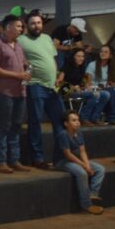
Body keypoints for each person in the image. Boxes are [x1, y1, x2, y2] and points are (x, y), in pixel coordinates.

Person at [18, 11, 65, 170]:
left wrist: (57, 74)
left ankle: (60, 157)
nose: (36, 26)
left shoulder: (46, 38)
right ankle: (37, 158)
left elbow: (52, 58)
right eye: (33, 23)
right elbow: (18, 61)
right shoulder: (21, 40)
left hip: (51, 86)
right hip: (35, 85)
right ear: (27, 25)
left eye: (38, 23)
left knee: (60, 121)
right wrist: (25, 77)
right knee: (36, 122)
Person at [0, 14, 30, 173]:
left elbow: (24, 66)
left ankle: (15, 160)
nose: (21, 29)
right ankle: (1, 161)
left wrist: (27, 72)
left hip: (20, 91)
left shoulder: (18, 46)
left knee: (16, 126)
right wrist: (17, 75)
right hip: (5, 92)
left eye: (21, 27)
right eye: (18, 26)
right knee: (4, 126)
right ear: (9, 27)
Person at [55, 111, 106, 215]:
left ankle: (93, 194)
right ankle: (87, 205)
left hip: (75, 160)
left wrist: (87, 164)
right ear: (66, 123)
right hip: (62, 161)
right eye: (73, 120)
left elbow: (82, 151)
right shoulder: (63, 134)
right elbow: (68, 154)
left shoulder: (79, 133)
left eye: (78, 120)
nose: (77, 122)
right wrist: (84, 166)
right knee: (82, 173)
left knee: (100, 169)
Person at [58, 49, 110, 125]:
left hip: (80, 91)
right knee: (95, 94)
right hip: (68, 90)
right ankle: (83, 117)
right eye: (78, 56)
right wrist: (73, 87)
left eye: (82, 56)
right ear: (73, 57)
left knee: (105, 94)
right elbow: (60, 81)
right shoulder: (66, 66)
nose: (81, 58)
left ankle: (94, 117)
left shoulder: (82, 68)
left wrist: (88, 87)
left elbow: (83, 83)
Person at [87, 45, 115, 123]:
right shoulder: (92, 65)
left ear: (110, 55)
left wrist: (114, 85)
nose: (102, 53)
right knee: (112, 90)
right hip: (95, 88)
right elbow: (88, 83)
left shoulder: (111, 67)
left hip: (107, 88)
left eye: (106, 52)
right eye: (101, 51)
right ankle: (113, 117)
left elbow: (113, 82)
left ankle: (111, 113)